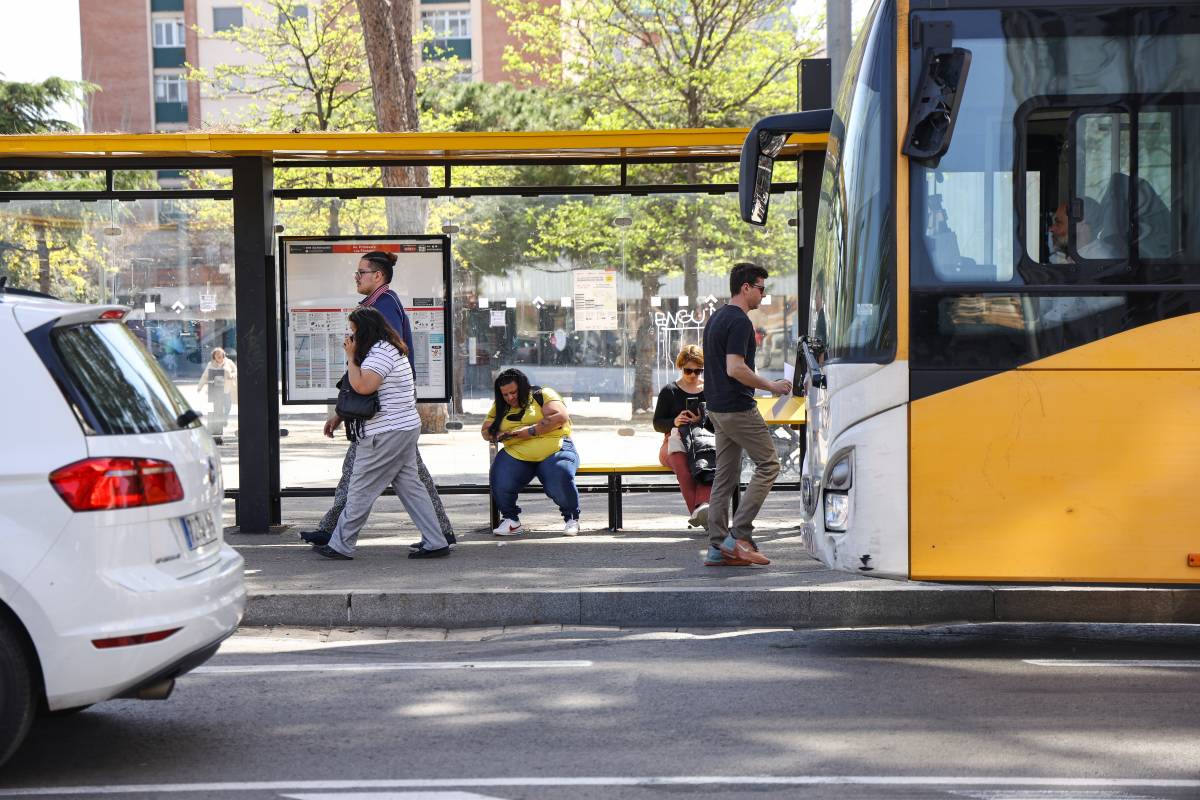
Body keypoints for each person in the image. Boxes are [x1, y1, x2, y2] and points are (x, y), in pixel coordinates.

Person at [300, 251, 456, 551]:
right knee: (408, 480)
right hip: (396, 417)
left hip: (387, 415)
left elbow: (369, 376)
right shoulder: (381, 305)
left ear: (378, 276)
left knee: (361, 480)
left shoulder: (383, 310)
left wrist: (343, 409)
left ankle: (337, 537)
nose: (356, 277)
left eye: (361, 272)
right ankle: (438, 535)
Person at [701, 262, 791, 567]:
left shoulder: (716, 317)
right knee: (769, 464)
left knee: (725, 477)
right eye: (761, 289)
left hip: (716, 408)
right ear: (746, 288)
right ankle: (739, 535)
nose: (764, 296)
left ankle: (717, 547)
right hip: (737, 408)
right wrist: (771, 385)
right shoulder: (739, 321)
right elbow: (735, 368)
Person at [483, 368, 580, 537]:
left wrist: (528, 432)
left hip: (554, 448)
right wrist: (499, 434)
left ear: (523, 386)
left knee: (559, 476)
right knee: (500, 478)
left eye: (513, 392)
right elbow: (485, 431)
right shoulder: (500, 406)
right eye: (505, 395)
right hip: (517, 452)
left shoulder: (542, 394)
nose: (510, 397)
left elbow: (560, 417)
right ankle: (511, 520)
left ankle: (571, 518)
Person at [652, 344, 711, 529]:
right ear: (680, 367)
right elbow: (657, 423)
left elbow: (718, 422)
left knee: (706, 467)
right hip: (672, 441)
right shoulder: (669, 391)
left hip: (700, 442)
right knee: (684, 469)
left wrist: (702, 419)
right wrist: (675, 422)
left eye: (698, 371)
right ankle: (700, 511)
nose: (693, 375)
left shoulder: (709, 390)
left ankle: (702, 510)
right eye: (688, 370)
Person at [198, 347, 236, 444]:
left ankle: (224, 420)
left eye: (220, 354)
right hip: (214, 392)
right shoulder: (210, 364)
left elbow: (235, 370)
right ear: (214, 356)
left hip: (226, 390)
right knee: (215, 413)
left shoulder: (229, 362)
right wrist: (200, 386)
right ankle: (217, 436)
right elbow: (205, 376)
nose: (219, 356)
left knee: (227, 407)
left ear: (223, 355)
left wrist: (231, 375)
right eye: (217, 354)